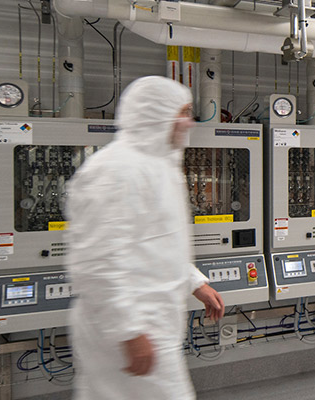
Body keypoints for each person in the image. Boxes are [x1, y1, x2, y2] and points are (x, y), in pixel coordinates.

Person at [65, 76, 226, 399]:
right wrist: (128, 332)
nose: (190, 122)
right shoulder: (115, 171)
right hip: (127, 328)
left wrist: (195, 283)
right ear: (156, 115)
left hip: (151, 323)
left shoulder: (160, 167)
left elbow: (159, 245)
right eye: (183, 112)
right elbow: (97, 262)